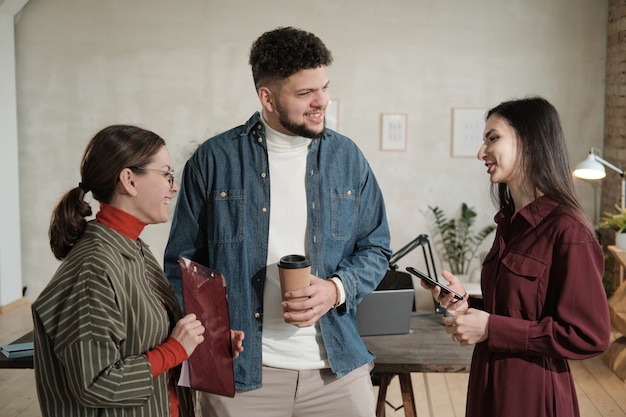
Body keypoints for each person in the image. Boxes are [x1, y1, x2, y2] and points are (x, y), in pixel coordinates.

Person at [164, 27, 391, 417]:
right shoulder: (214, 160)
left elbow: (376, 247)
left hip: (335, 372)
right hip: (242, 377)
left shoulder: (348, 158)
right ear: (267, 97)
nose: (322, 102)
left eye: (324, 87)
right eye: (305, 93)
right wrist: (212, 332)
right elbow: (183, 265)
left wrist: (336, 290)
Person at [32, 124, 244, 417]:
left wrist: (206, 343)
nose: (173, 186)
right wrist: (176, 349)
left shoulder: (134, 249)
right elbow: (96, 383)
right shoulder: (93, 269)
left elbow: (146, 337)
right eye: (166, 174)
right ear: (129, 180)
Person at [422, 97, 610, 417]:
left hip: (533, 397)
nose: (481, 152)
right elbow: (520, 310)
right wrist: (468, 306)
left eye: (492, 138)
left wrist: (492, 328)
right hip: (487, 388)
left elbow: (589, 335)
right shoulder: (509, 224)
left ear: (529, 141)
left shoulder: (568, 230)